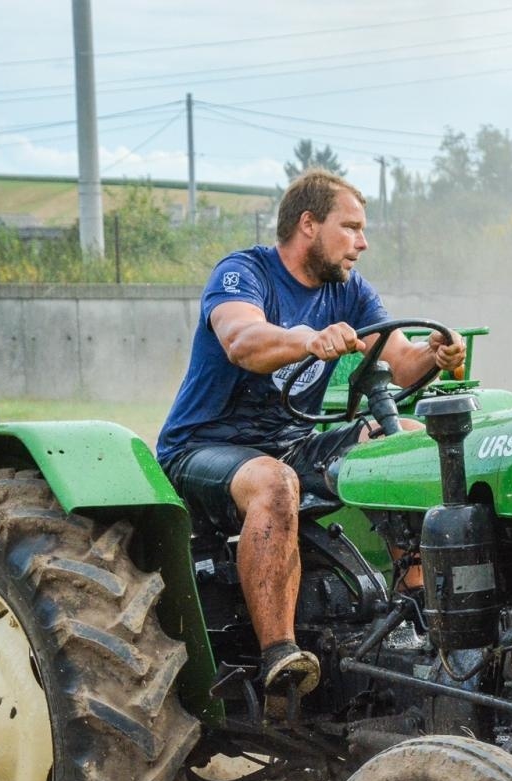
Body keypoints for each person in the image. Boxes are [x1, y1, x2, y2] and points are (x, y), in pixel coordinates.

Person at [156, 168, 465, 696]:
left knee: (411, 442)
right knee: (274, 483)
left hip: (291, 442)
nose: (362, 243)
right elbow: (242, 340)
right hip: (203, 447)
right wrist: (305, 339)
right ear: (308, 224)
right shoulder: (243, 272)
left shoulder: (348, 290)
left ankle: (421, 614)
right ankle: (280, 655)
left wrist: (436, 353)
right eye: (350, 228)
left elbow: (401, 361)